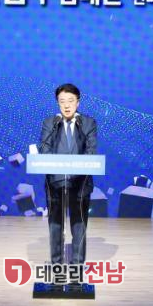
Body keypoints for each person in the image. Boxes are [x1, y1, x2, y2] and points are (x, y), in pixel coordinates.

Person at [39, 83, 97, 265]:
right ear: (58, 103)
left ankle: (77, 267)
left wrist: (74, 168)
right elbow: (44, 149)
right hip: (55, 183)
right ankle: (56, 264)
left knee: (79, 226)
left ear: (78, 102)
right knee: (55, 226)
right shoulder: (50, 123)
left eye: (70, 101)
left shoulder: (88, 123)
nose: (66, 105)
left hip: (80, 184)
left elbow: (91, 152)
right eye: (62, 101)